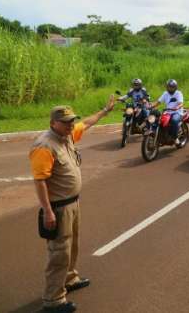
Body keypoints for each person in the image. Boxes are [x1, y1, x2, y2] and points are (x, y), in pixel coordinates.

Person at [30, 96, 116, 312]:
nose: (70, 124)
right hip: (58, 208)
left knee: (72, 246)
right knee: (59, 252)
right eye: (66, 121)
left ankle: (70, 279)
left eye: (71, 120)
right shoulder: (44, 145)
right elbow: (40, 181)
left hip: (72, 204)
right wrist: (48, 211)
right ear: (53, 123)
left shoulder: (66, 136)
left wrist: (105, 111)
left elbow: (85, 123)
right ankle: (53, 300)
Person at [150, 79, 184, 146]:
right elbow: (158, 102)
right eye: (169, 87)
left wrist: (177, 107)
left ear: (175, 87)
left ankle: (175, 138)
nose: (170, 88)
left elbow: (181, 103)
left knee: (174, 120)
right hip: (168, 112)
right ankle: (159, 134)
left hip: (177, 112)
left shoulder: (178, 93)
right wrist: (151, 106)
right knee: (158, 120)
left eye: (172, 87)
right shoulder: (165, 93)